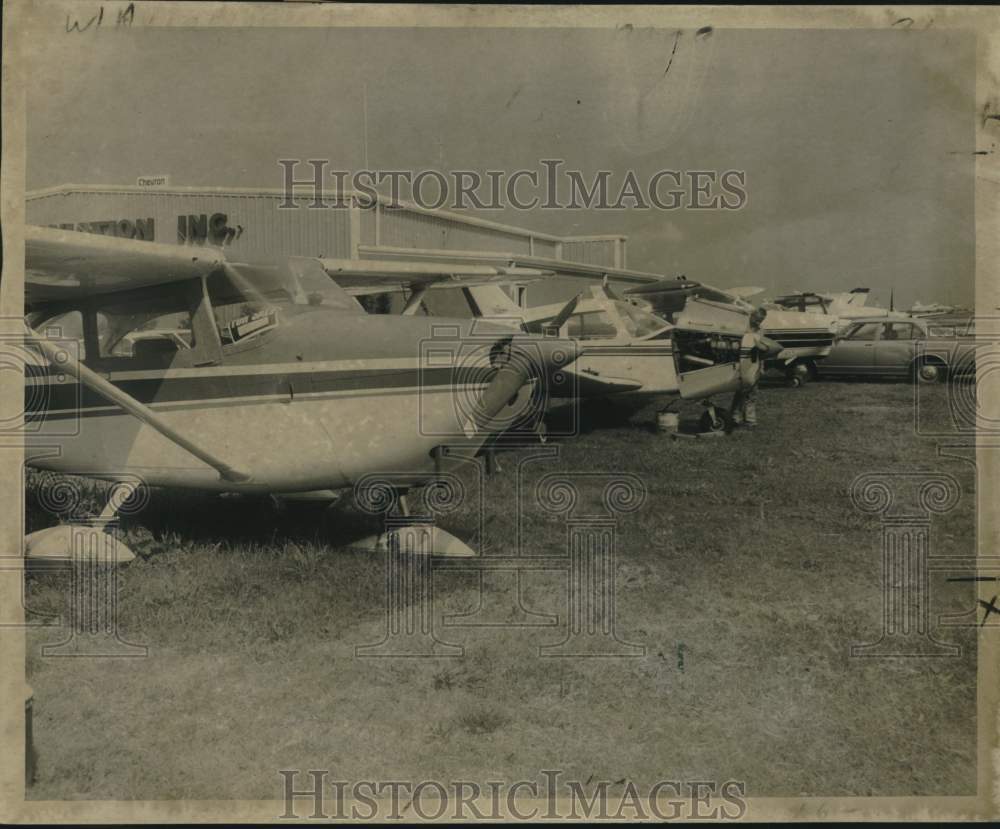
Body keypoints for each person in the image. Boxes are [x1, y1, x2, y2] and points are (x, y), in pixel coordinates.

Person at [729, 308, 775, 429]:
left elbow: (762, 350)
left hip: (755, 362)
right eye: (756, 319)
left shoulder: (761, 331)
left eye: (761, 320)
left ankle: (750, 420)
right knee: (741, 391)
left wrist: (762, 366)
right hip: (742, 362)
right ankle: (735, 417)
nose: (758, 322)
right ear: (752, 315)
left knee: (752, 392)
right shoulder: (742, 327)